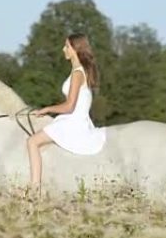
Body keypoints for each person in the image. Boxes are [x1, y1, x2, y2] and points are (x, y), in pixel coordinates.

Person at [26, 33, 107, 190]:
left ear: (75, 49)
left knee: (32, 142)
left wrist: (47, 109)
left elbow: (70, 106)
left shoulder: (77, 74)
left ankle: (34, 188)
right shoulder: (79, 71)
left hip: (74, 121)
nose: (64, 49)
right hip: (72, 119)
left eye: (67, 46)